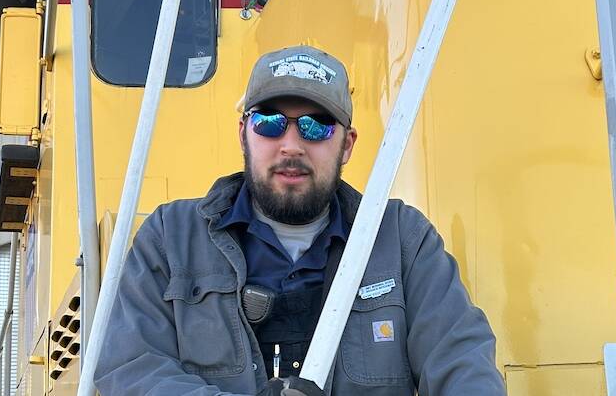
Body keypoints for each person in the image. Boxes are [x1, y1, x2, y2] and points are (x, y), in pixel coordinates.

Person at [94, 45, 506, 395]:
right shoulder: (169, 238)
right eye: (269, 122)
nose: (291, 145)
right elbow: (129, 369)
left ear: (347, 144)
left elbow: (462, 362)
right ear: (243, 134)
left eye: (317, 126)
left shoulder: (403, 240)